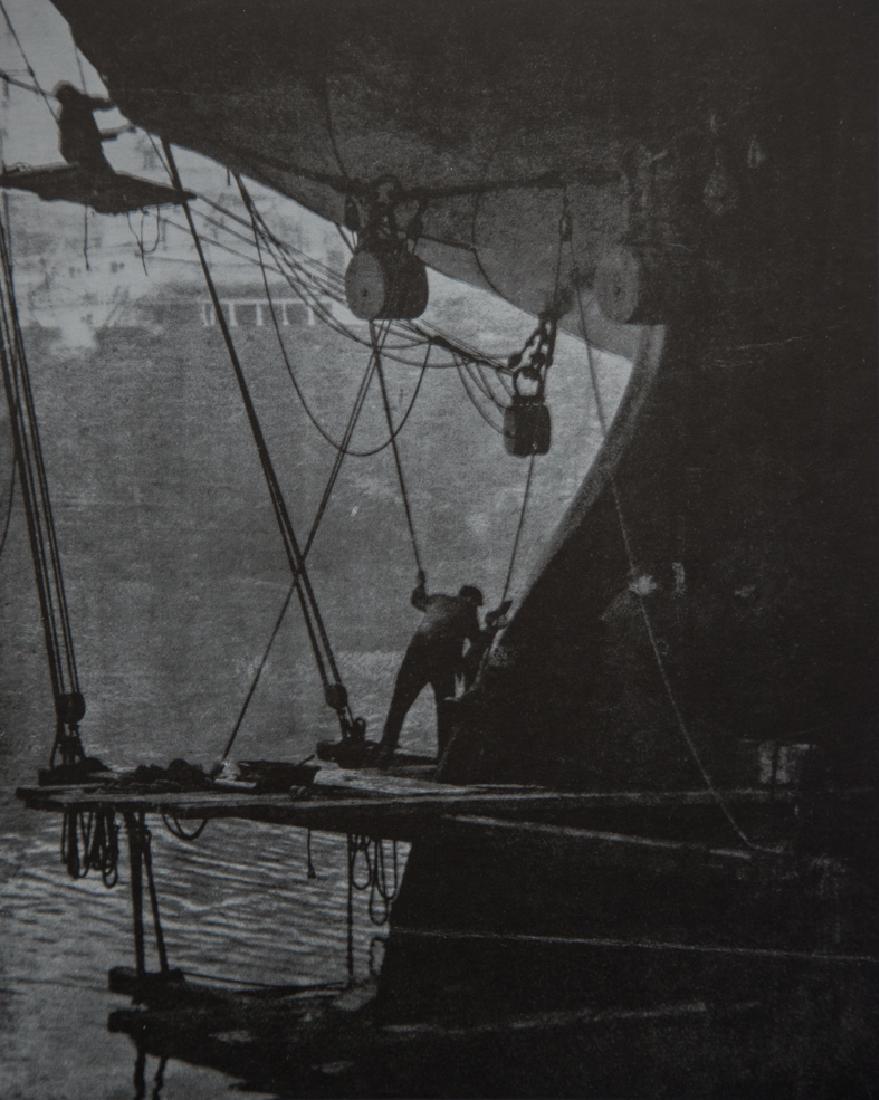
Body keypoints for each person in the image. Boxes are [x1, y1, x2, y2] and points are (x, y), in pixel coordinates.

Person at [376, 572, 484, 767]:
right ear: (470, 598)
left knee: (400, 702)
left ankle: (386, 749)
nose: (477, 608)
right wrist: (494, 627)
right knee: (445, 707)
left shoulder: (438, 599)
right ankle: (443, 755)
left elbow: (417, 599)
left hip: (416, 654)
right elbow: (476, 641)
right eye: (477, 603)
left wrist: (420, 584)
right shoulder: (468, 608)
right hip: (443, 658)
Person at [54, 83, 116, 172]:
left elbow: (104, 103)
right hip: (82, 152)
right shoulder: (68, 114)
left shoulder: (77, 104)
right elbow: (106, 104)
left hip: (81, 150)